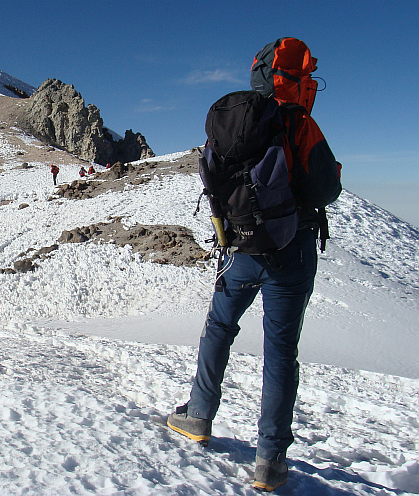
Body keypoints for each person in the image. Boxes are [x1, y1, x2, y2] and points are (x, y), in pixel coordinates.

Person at [166, 38, 342, 492]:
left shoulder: (233, 119)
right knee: (281, 350)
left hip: (240, 248)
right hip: (293, 247)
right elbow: (324, 190)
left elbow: (212, 175)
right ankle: (270, 460)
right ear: (299, 81)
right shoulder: (301, 123)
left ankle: (198, 415)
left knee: (219, 329)